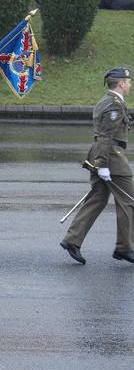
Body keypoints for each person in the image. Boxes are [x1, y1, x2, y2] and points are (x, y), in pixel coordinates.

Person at [61, 68, 133, 265]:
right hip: (111, 156)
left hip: (100, 154)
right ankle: (124, 247)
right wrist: (103, 165)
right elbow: (106, 136)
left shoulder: (106, 101)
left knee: (97, 198)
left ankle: (72, 240)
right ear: (121, 84)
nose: (130, 85)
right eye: (128, 81)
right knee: (129, 201)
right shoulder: (115, 105)